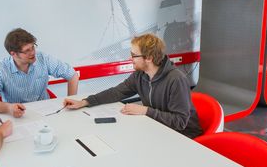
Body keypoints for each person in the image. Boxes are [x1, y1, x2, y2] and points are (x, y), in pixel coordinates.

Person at [64, 33, 203, 138]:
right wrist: (85, 102)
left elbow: (179, 122)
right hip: (159, 128)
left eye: (133, 55)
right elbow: (116, 92)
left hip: (184, 137)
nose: (130, 59)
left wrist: (145, 111)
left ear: (149, 58)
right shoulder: (140, 75)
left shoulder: (176, 80)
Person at [0, 28, 79, 117]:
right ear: (13, 54)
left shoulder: (43, 58)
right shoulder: (2, 69)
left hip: (45, 112)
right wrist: (9, 108)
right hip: (17, 115)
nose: (33, 52)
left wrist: (70, 103)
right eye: (27, 51)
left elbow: (73, 75)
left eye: (33, 47)